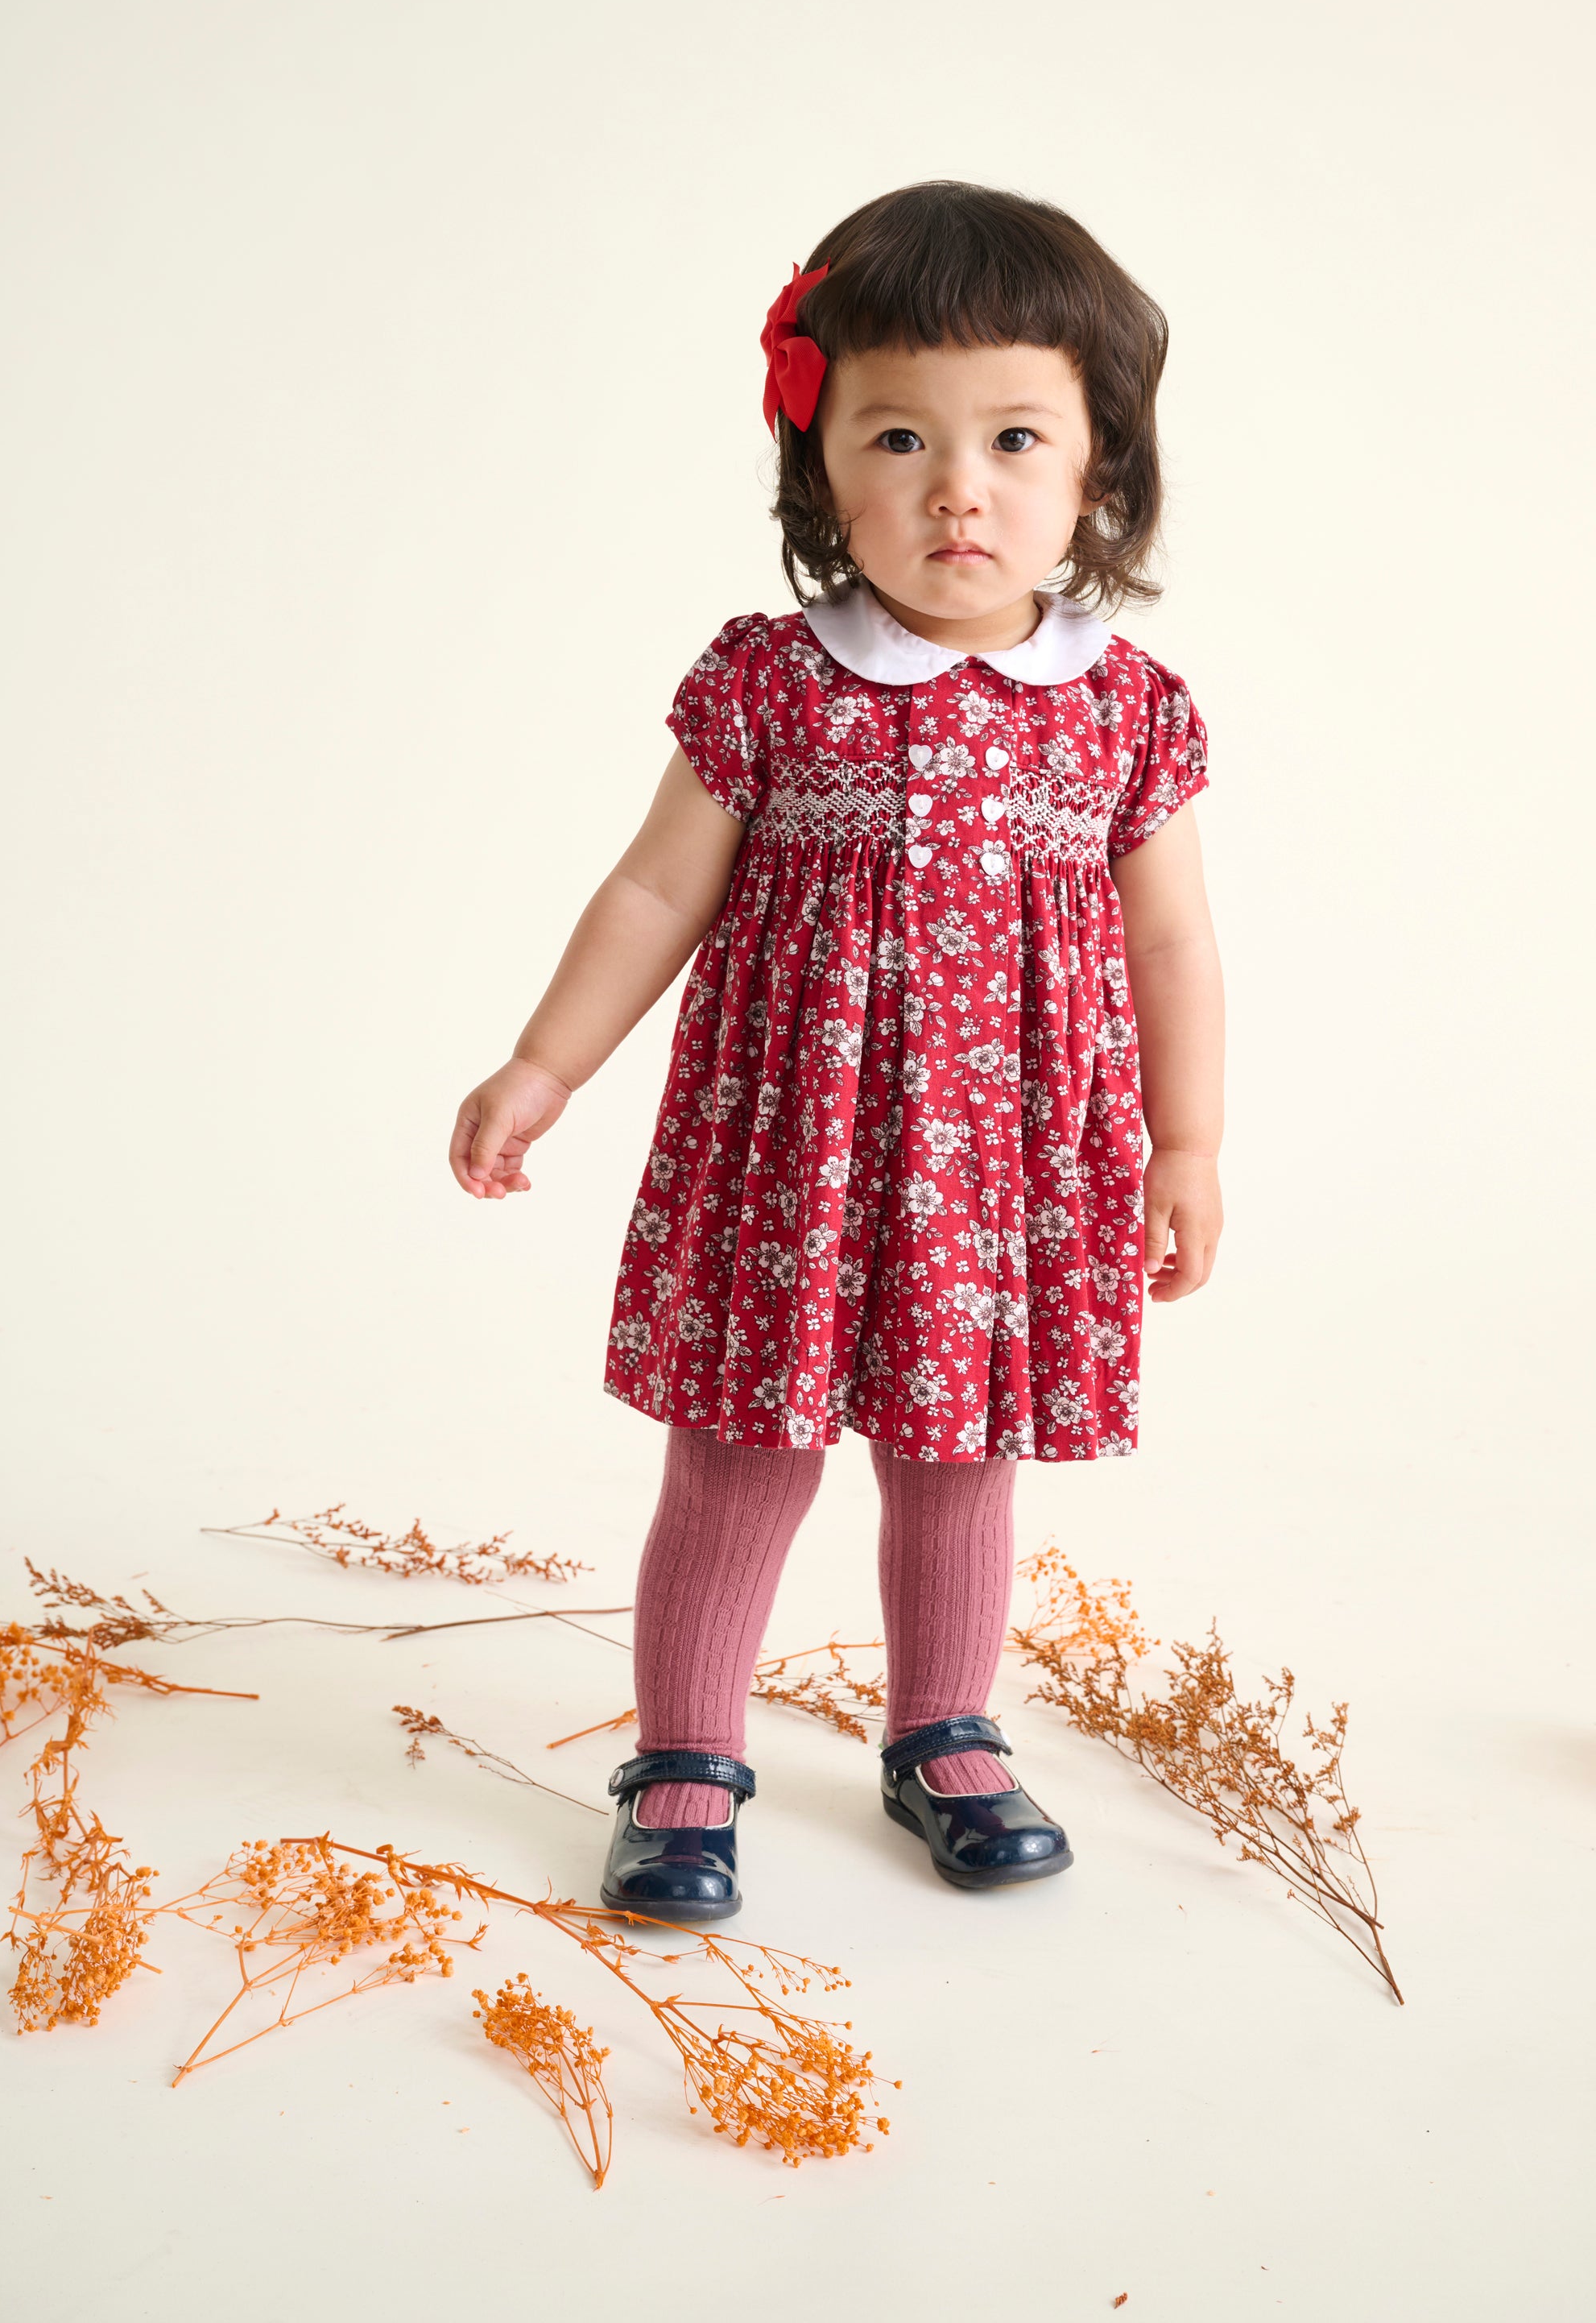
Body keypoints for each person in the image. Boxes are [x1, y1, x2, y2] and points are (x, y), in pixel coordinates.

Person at [449, 180, 1223, 1923]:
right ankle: (684, 1754)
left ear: (1098, 470)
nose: (959, 487)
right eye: (897, 436)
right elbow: (656, 888)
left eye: (1015, 436)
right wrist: (540, 1066)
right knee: (739, 1452)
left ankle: (945, 1727)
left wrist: (1188, 1146)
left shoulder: (1122, 709)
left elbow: (1170, 939)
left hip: (1002, 1164)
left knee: (959, 1453)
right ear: (819, 470)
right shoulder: (775, 686)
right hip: (784, 1148)